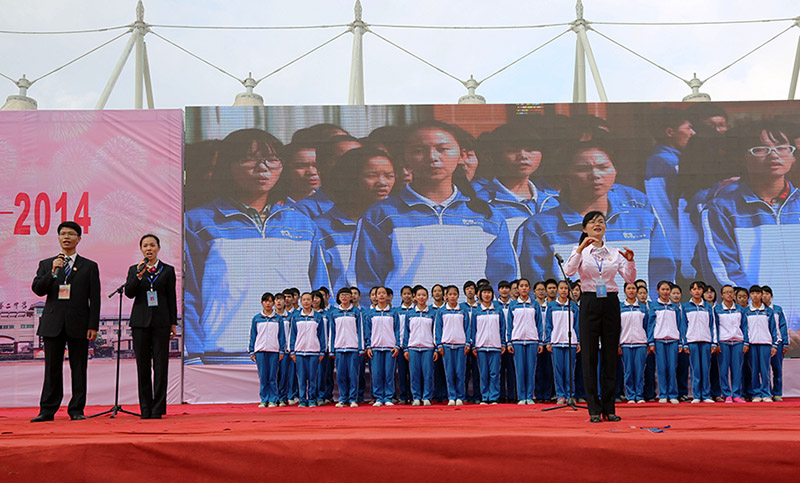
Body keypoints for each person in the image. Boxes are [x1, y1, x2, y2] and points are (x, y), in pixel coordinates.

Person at [184, 128, 329, 364]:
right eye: (248, 159)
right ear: (227, 165)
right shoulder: (197, 222)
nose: (262, 168)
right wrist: (192, 354)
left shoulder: (303, 225)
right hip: (224, 356)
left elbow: (321, 293)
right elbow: (186, 294)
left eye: (272, 160)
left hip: (296, 353)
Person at [354, 120, 518, 299]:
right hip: (406, 322)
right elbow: (366, 284)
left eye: (442, 149)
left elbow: (504, 281)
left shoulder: (487, 215)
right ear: (404, 158)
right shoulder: (381, 215)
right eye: (419, 151)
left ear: (461, 155)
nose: (432, 157)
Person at [516, 139, 675, 291]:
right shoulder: (539, 227)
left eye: (603, 166)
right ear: (565, 176)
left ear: (615, 171)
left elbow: (661, 275)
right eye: (583, 169)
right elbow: (535, 285)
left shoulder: (644, 221)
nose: (595, 175)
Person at [700, 121, 800, 330]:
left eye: (782, 147)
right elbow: (724, 275)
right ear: (743, 157)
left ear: (792, 154)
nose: (774, 155)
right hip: (753, 329)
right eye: (761, 148)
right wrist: (767, 322)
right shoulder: (721, 209)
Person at [564, 211, 636, 423]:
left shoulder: (615, 252)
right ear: (584, 228)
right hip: (589, 302)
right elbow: (568, 272)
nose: (598, 224)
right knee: (589, 357)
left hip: (611, 302)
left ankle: (609, 407)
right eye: (592, 222)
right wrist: (579, 249)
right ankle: (593, 408)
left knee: (610, 356)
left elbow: (630, 279)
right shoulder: (579, 252)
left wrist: (630, 262)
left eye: (601, 222)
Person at [30, 221, 100, 422]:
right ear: (58, 238)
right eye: (62, 234)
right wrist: (53, 272)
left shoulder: (89, 266)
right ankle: (47, 410)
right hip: (53, 324)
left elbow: (94, 299)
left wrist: (92, 325)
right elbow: (38, 289)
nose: (66, 237)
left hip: (79, 324)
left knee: (79, 368)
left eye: (71, 234)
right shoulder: (47, 264)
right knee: (52, 369)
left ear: (79, 238)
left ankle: (77, 409)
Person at [313, 146, 400, 290]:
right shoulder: (322, 229)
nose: (382, 182)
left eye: (389, 176)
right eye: (372, 176)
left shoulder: (398, 223)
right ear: (348, 178)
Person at [124, 234, 179, 419]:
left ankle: (158, 408)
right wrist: (138, 276)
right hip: (140, 323)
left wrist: (173, 323)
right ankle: (145, 409)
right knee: (143, 366)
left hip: (162, 323)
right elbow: (129, 293)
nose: (149, 249)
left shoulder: (168, 270)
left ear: (158, 248)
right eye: (145, 246)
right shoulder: (135, 269)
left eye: (152, 245)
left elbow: (171, 297)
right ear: (141, 249)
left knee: (161, 366)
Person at [476, 123, 560, 236]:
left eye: (530, 149)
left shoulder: (552, 201)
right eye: (512, 150)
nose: (523, 156)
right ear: (495, 155)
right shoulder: (480, 203)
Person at [644, 107, 695, 276]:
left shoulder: (673, 159)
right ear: (670, 132)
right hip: (676, 245)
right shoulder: (664, 161)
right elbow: (666, 209)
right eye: (688, 128)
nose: (692, 133)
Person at [506, 278, 543, 405]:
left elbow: (539, 324)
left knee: (531, 369)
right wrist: (509, 342)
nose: (524, 288)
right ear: (517, 289)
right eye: (521, 286)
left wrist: (541, 342)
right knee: (520, 369)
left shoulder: (535, 304)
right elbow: (509, 325)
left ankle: (529, 396)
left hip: (532, 340)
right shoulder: (513, 305)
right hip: (517, 340)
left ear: (530, 289)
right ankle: (521, 396)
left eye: (526, 286)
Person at [544, 280, 581, 404]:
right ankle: (560, 395)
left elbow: (577, 325)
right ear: (558, 290)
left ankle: (570, 394)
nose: (564, 290)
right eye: (562, 288)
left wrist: (579, 341)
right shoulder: (551, 306)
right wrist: (548, 341)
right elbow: (548, 325)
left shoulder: (574, 306)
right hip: (556, 342)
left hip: (571, 342)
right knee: (558, 370)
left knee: (570, 370)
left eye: (566, 288)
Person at [680, 281, 717, 404]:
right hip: (692, 341)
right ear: (690, 291)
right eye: (694, 289)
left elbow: (713, 326)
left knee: (705, 369)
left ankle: (706, 395)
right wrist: (684, 343)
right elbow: (683, 326)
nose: (697, 291)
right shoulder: (685, 307)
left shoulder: (708, 307)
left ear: (703, 291)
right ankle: (696, 395)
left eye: (699, 289)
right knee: (695, 369)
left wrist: (714, 342)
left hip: (706, 341)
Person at [364, 287, 401, 407]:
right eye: (378, 293)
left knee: (389, 373)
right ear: (375, 296)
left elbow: (397, 330)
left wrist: (397, 345)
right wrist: (368, 346)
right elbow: (367, 331)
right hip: (375, 348)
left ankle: (388, 397)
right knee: (377, 374)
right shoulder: (370, 314)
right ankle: (379, 397)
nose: (381, 296)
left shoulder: (393, 313)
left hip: (390, 347)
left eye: (383, 293)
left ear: (388, 296)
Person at [434, 285, 471, 406]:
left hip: (461, 346)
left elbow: (467, 328)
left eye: (454, 294)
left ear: (458, 296)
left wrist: (467, 343)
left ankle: (460, 396)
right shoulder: (441, 311)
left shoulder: (463, 311)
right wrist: (439, 344)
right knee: (449, 372)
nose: (452, 297)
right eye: (450, 294)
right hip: (446, 346)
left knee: (460, 372)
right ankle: (452, 396)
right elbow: (438, 329)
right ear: (446, 296)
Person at [248, 292, 286, 408]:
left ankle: (273, 399)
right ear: (262, 303)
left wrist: (281, 350)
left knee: (272, 377)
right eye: (265, 301)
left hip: (274, 351)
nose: (268, 303)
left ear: (273, 303)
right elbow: (253, 335)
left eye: (270, 301)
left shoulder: (278, 318)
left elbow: (281, 336)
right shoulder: (257, 318)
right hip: (260, 351)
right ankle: (264, 399)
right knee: (263, 376)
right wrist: (251, 350)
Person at [647, 281, 682, 404]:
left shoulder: (675, 307)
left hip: (673, 340)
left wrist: (681, 342)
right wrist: (651, 342)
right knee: (661, 369)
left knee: (672, 368)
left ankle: (672, 394)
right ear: (658, 290)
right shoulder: (654, 306)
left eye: (668, 290)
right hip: (659, 341)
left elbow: (680, 325)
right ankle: (662, 394)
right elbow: (650, 325)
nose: (665, 292)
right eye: (663, 289)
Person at [471, 284, 507, 405]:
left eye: (489, 292)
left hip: (495, 346)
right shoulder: (476, 311)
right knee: (483, 373)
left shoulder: (498, 310)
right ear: (480, 295)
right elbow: (473, 330)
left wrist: (502, 343)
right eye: (484, 292)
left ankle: (493, 397)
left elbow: (502, 328)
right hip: (481, 347)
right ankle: (484, 396)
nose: (487, 295)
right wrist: (474, 346)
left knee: (494, 373)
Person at [289, 293, 326, 408]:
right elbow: (293, 335)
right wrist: (292, 351)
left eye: (308, 299)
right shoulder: (296, 317)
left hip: (314, 352)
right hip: (299, 352)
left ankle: (312, 399)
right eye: (304, 300)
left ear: (312, 301)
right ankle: (302, 400)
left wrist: (322, 351)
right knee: (301, 378)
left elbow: (321, 335)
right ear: (301, 301)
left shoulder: (318, 317)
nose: (306, 302)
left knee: (312, 378)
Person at [329, 287, 363, 408]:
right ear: (338, 298)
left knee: (353, 375)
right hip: (339, 348)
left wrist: (360, 348)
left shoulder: (356, 312)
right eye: (341, 295)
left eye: (346, 295)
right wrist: (331, 349)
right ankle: (343, 398)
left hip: (353, 348)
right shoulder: (334, 313)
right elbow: (332, 332)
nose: (344, 297)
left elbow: (360, 330)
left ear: (351, 297)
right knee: (341, 375)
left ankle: (353, 398)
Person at [404, 285, 438, 406]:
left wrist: (436, 349)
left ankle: (427, 397)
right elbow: (406, 332)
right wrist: (405, 349)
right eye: (419, 295)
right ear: (415, 297)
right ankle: (416, 397)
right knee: (414, 374)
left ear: (427, 297)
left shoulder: (433, 313)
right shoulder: (410, 314)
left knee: (428, 374)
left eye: (424, 295)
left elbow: (436, 332)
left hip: (428, 348)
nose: (421, 297)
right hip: (413, 348)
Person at [742, 286, 777, 402]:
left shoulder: (768, 311)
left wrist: (774, 345)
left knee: (765, 369)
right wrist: (746, 342)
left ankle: (766, 393)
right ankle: (756, 393)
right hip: (752, 344)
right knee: (754, 370)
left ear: (761, 295)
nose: (755, 296)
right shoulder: (746, 311)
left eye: (758, 293)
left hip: (765, 343)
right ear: (749, 296)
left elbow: (773, 329)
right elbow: (745, 329)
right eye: (753, 294)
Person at [715, 285, 748, 403]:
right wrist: (716, 342)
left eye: (731, 292)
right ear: (722, 295)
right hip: (723, 342)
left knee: (737, 370)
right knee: (723, 370)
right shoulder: (717, 309)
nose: (729, 295)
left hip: (738, 342)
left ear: (734, 295)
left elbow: (745, 326)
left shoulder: (740, 309)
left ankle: (737, 394)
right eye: (726, 292)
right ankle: (727, 394)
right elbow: (715, 327)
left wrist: (746, 342)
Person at [619, 282, 649, 403]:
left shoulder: (642, 307)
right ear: (624, 291)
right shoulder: (620, 307)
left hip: (641, 343)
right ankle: (630, 395)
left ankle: (639, 395)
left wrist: (648, 342)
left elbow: (647, 325)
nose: (631, 291)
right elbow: (617, 327)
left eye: (633, 289)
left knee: (639, 371)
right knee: (628, 371)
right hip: (625, 344)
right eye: (629, 288)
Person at [761, 286, 788, 401]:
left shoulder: (777, 309)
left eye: (767, 294)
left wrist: (785, 343)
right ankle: (766, 392)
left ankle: (777, 392)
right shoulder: (759, 310)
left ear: (771, 296)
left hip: (778, 342)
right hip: (764, 342)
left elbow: (782, 326)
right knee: (764, 369)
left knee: (777, 368)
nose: (764, 296)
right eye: (762, 294)